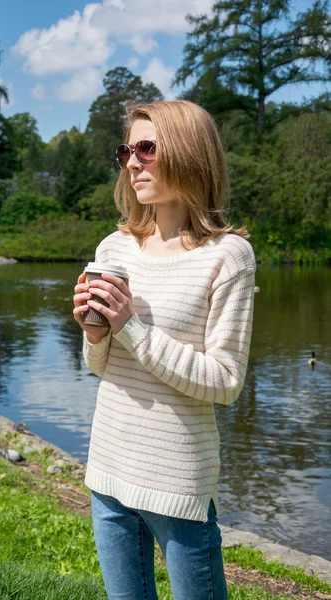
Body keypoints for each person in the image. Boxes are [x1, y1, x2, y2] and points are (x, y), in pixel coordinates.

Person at [73, 100, 256, 600]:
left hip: (177, 481)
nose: (133, 162)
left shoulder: (228, 257)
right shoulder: (114, 248)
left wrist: (129, 326)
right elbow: (103, 367)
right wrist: (94, 332)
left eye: (147, 149)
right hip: (108, 469)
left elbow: (225, 382)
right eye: (126, 150)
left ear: (188, 153)